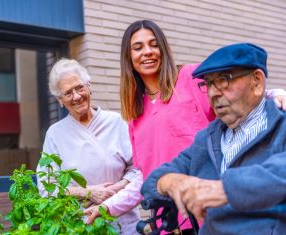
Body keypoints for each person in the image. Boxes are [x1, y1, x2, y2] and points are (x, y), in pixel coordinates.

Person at [120, 19, 286, 234]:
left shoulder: (187, 78)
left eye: (223, 79)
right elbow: (149, 176)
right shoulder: (206, 139)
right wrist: (170, 181)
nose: (214, 91)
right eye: (208, 84)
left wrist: (277, 94)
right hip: (176, 218)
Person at [36, 58, 142, 235]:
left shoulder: (115, 122)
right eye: (68, 93)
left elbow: (138, 168)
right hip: (81, 227)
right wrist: (87, 192)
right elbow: (46, 187)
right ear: (59, 100)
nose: (76, 96)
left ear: (89, 86)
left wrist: (117, 188)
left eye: (79, 87)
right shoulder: (55, 134)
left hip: (124, 223)